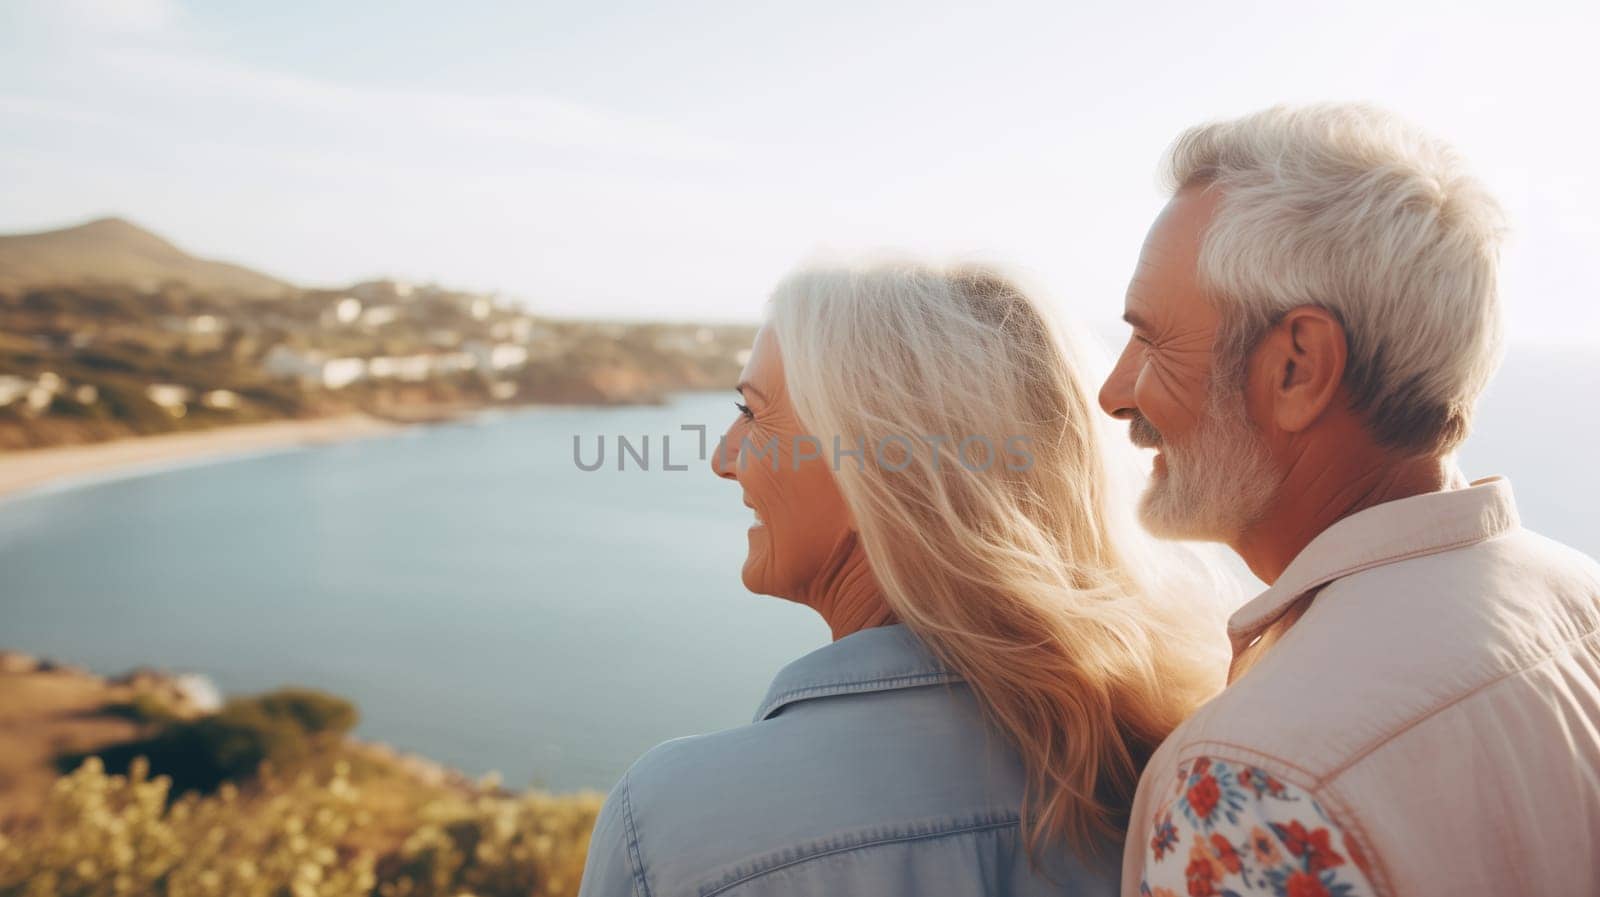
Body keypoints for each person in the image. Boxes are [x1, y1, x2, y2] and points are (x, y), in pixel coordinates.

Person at [578, 259, 1230, 897]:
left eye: (752, 413)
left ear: (879, 472)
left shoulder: (673, 823)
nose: (724, 457)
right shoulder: (1191, 782)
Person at [1099, 103, 1600, 897]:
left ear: (1298, 367)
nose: (1114, 391)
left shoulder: (1242, 788)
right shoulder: (1582, 598)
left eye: (1152, 339)